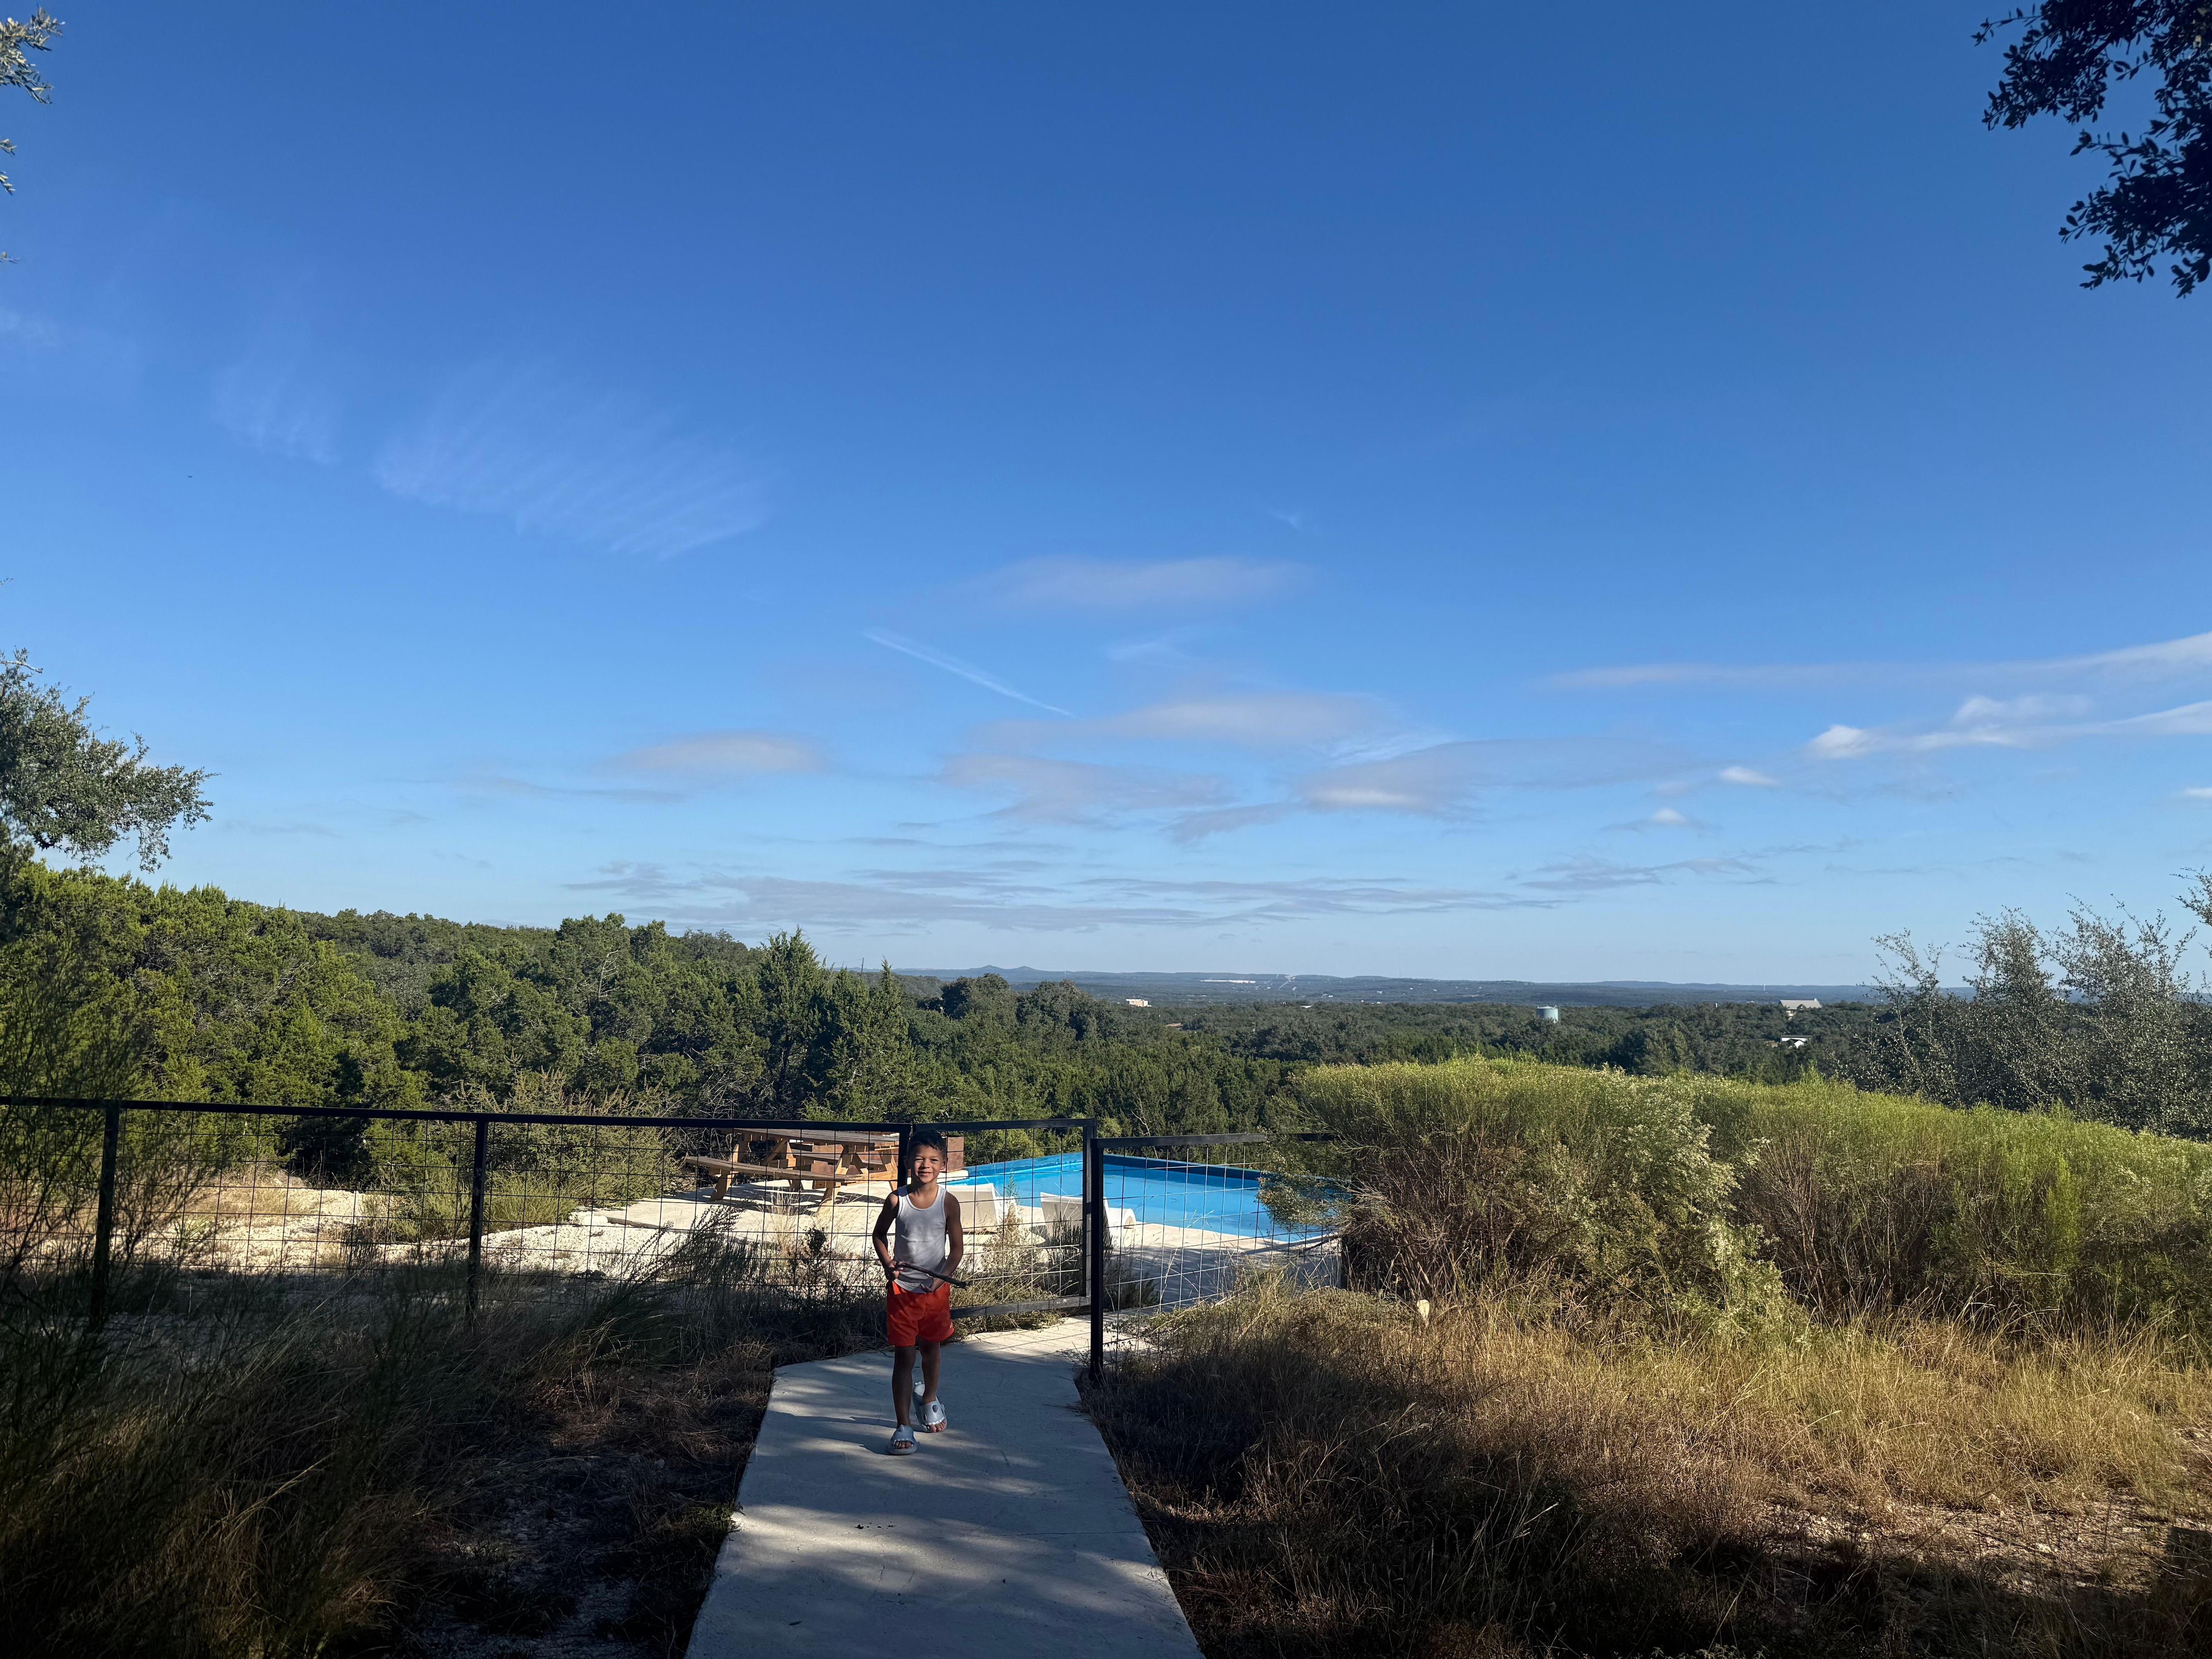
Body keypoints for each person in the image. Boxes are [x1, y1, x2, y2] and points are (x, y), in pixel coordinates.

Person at [872, 1128, 964, 1454]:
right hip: (902, 1292)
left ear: (944, 1165)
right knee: (904, 1357)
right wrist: (888, 1264)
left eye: (934, 1160)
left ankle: (928, 1398)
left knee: (932, 1350)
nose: (926, 1165)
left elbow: (955, 1252)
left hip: (935, 1293)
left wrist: (941, 1278)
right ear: (908, 1161)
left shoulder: (948, 1203)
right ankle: (903, 1424)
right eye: (920, 1159)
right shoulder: (897, 1200)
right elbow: (879, 1235)